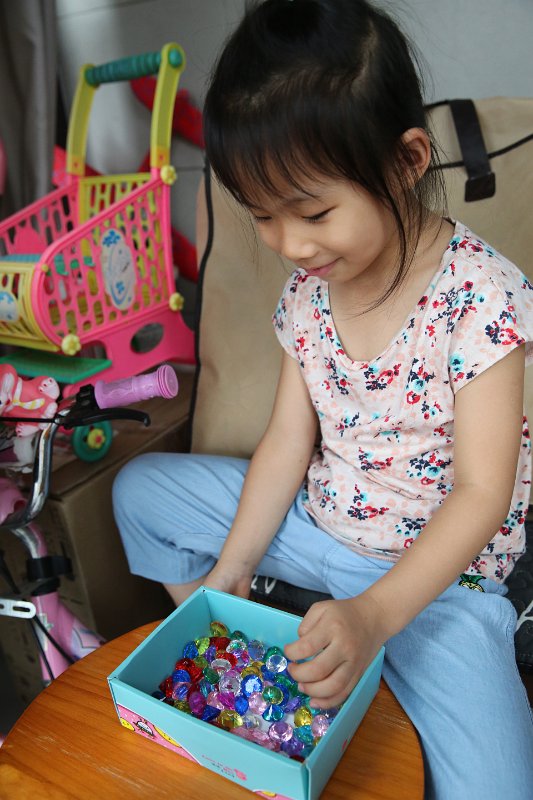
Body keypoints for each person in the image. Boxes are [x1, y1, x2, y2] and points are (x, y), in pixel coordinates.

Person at [113, 1, 533, 796]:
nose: (289, 244)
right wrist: (231, 571)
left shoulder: (480, 297)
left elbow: (482, 493)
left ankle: (357, 643)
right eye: (262, 216)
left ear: (405, 162)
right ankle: (275, 638)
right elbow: (285, 442)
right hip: (316, 527)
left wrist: (374, 615)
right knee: (141, 494)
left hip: (436, 581)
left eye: (311, 213)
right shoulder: (308, 294)